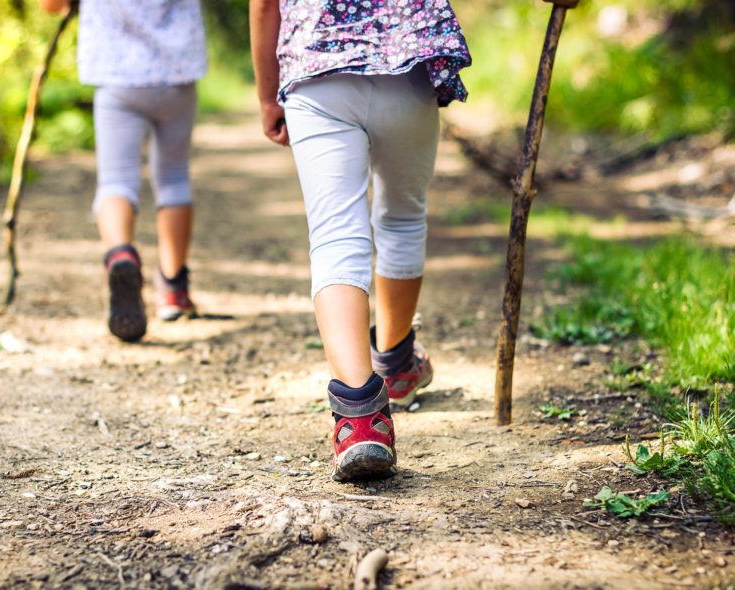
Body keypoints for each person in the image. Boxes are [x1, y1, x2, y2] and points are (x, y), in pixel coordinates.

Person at [250, 0, 472, 481]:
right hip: (407, 64)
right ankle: (395, 364)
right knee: (402, 219)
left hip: (316, 72)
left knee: (334, 236)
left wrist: (269, 96)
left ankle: (360, 418)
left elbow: (265, 4)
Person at [41, 0, 206, 342]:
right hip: (177, 74)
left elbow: (51, 4)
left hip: (117, 76)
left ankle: (120, 253)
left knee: (116, 180)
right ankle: (173, 290)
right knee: (174, 178)